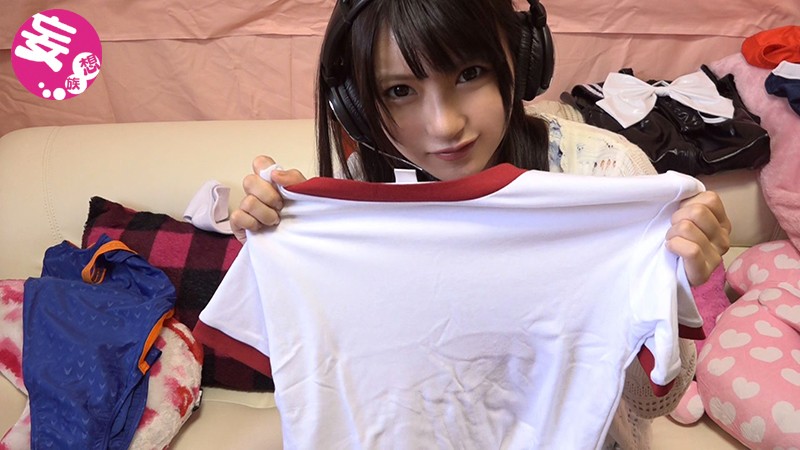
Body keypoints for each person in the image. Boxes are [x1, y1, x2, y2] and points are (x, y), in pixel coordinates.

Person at [228, 0, 731, 447]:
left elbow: (655, 400)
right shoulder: (360, 191)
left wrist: (673, 284)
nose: (444, 125)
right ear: (358, 106)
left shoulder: (608, 174)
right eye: (400, 90)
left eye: (469, 74)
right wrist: (284, 242)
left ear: (521, 60)